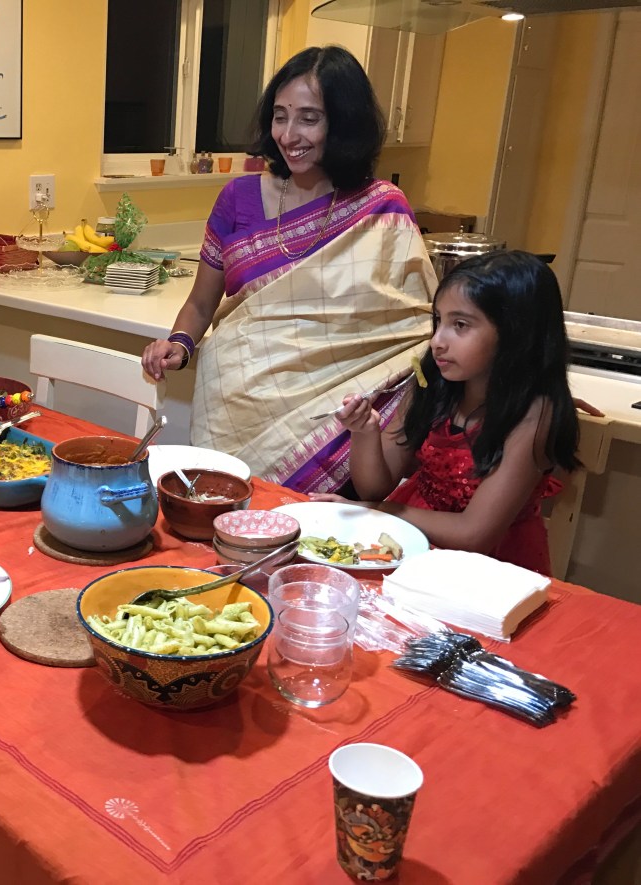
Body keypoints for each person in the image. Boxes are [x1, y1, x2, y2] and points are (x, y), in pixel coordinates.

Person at [141, 46, 436, 494]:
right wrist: (178, 345)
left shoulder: (382, 210)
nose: (289, 134)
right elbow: (201, 304)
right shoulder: (237, 199)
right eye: (280, 117)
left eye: (309, 118)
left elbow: (414, 331)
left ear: (343, 122)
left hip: (335, 434)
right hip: (234, 416)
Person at [313, 251, 579, 574]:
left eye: (460, 325)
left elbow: (473, 535)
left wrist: (376, 509)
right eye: (438, 320)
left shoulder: (533, 414)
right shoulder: (432, 384)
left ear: (515, 332)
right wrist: (364, 431)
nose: (437, 341)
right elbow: (373, 488)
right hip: (416, 541)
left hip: (492, 569)